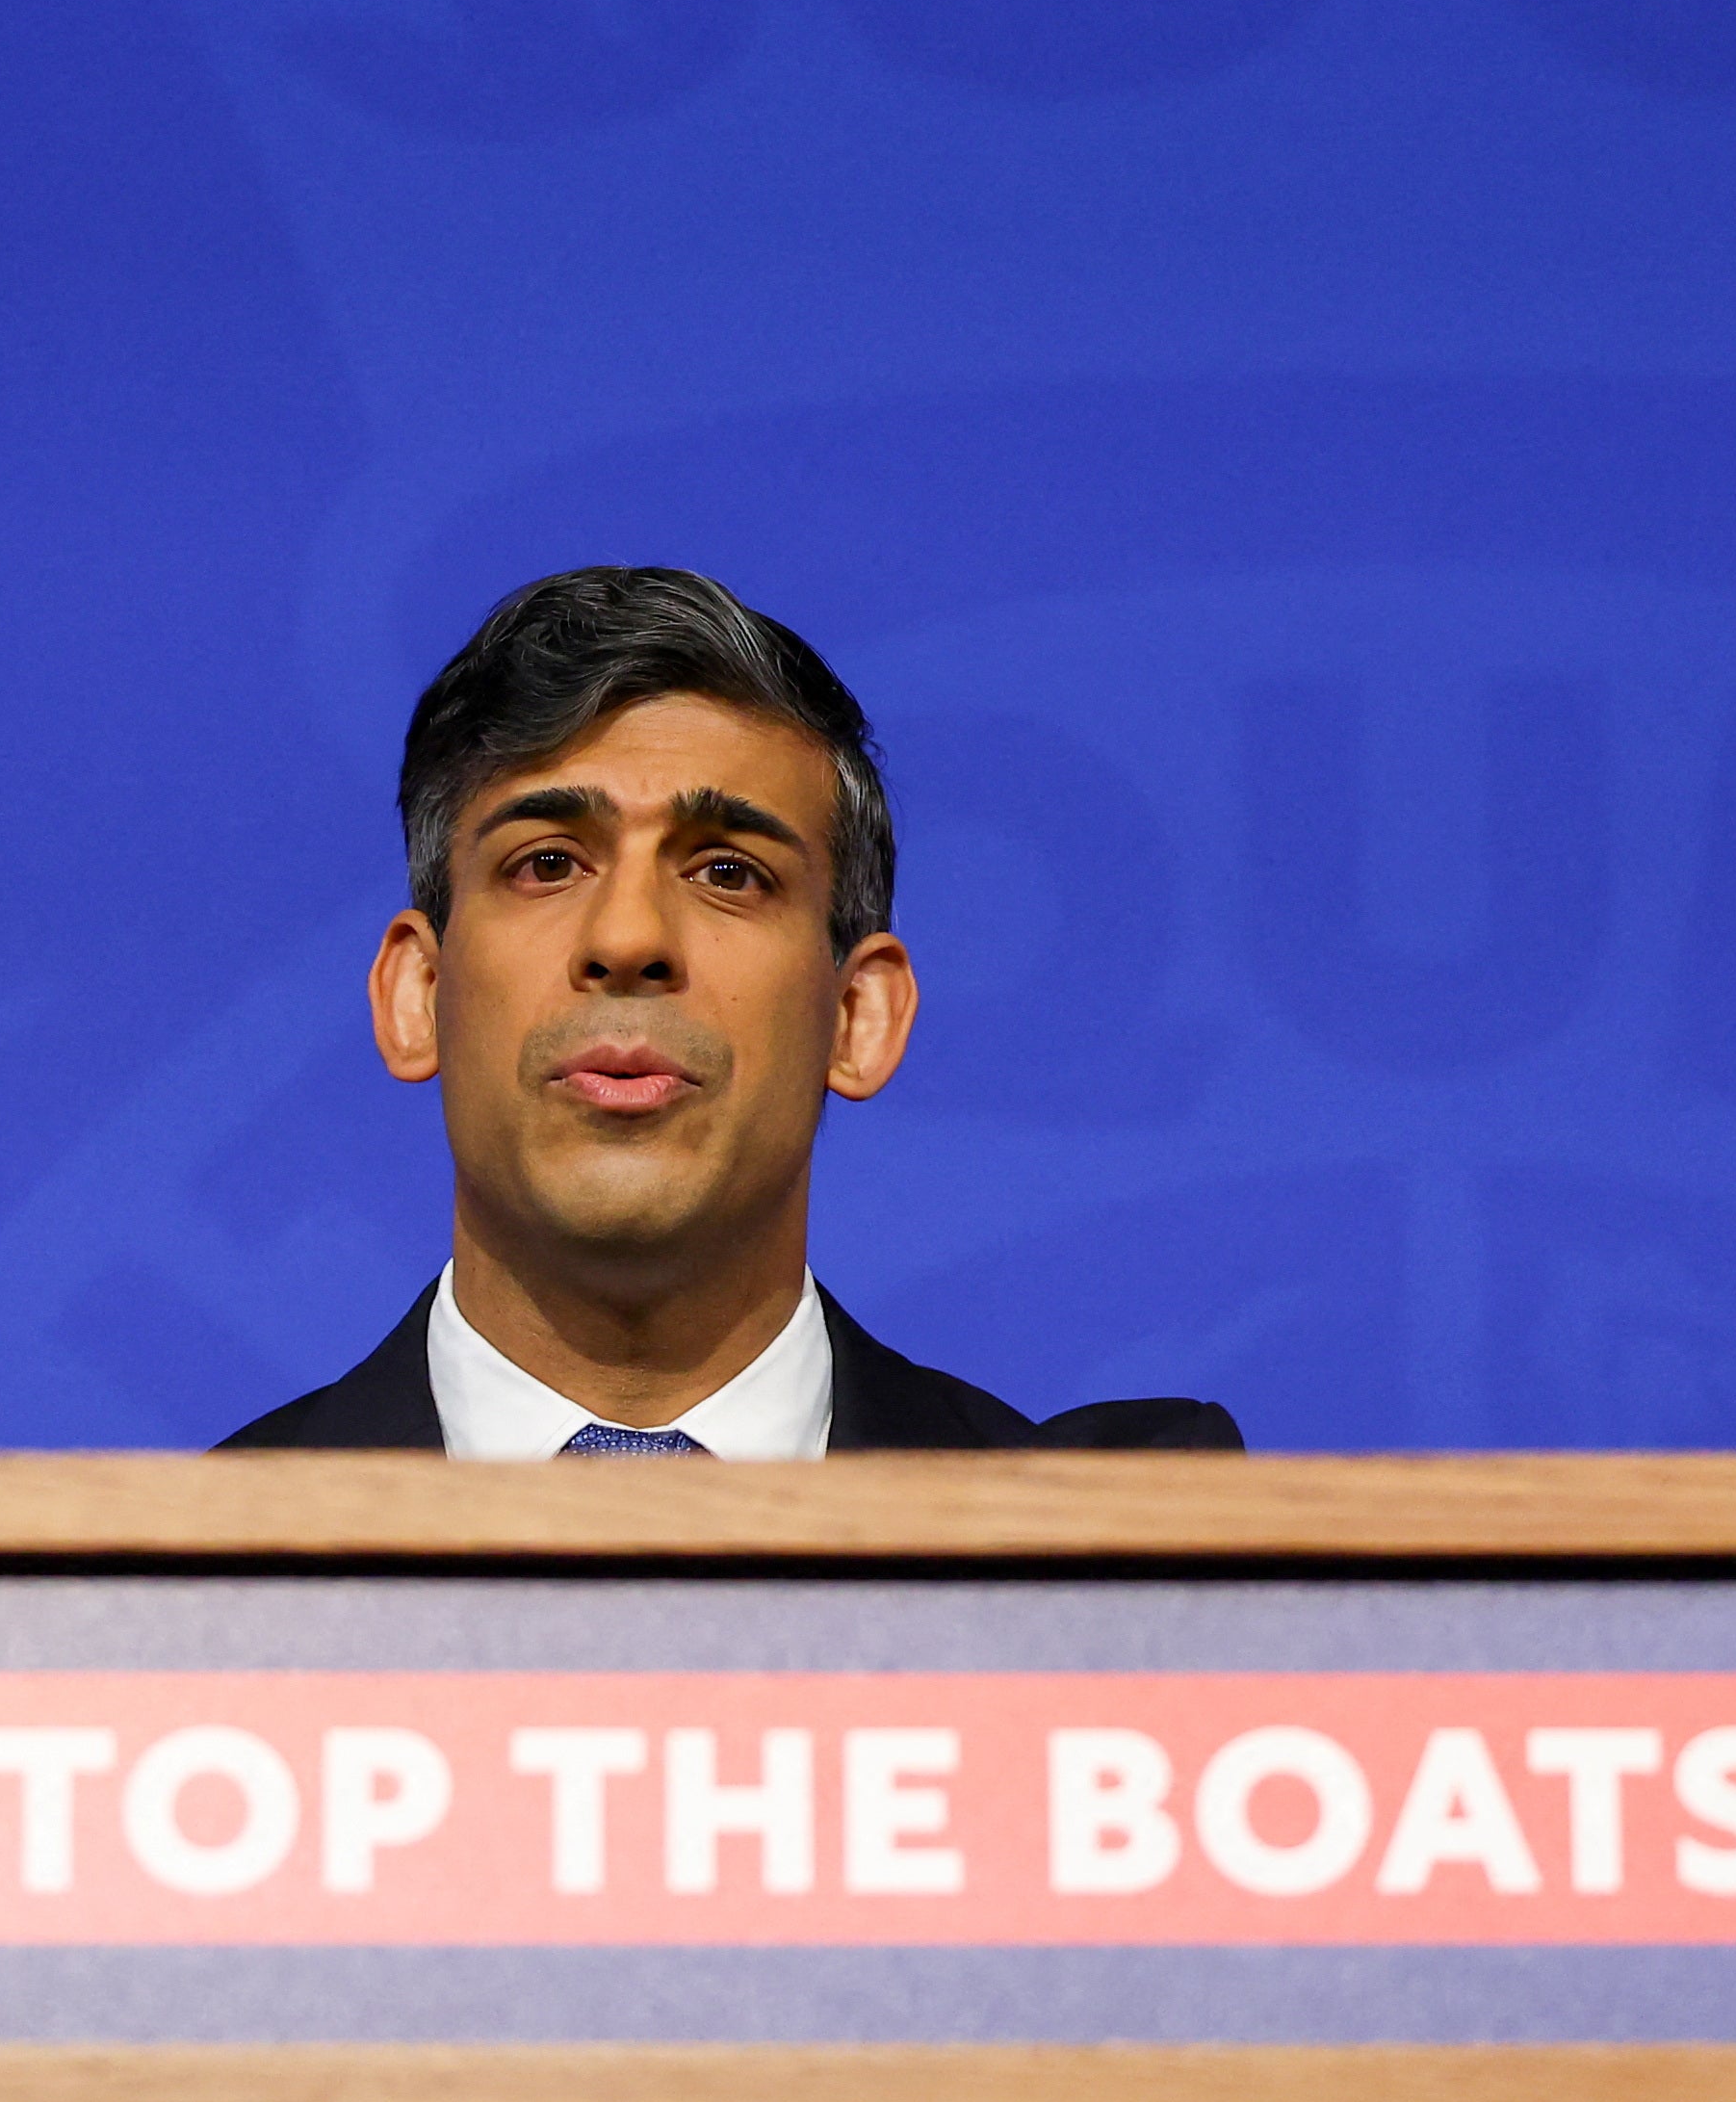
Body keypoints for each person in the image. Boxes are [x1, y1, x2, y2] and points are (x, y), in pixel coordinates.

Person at [223, 567, 1241, 1456]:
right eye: (546, 863)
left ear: (858, 1016)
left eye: (727, 872)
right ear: (419, 997)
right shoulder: (162, 1597)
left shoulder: (1105, 1581)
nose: (627, 938)